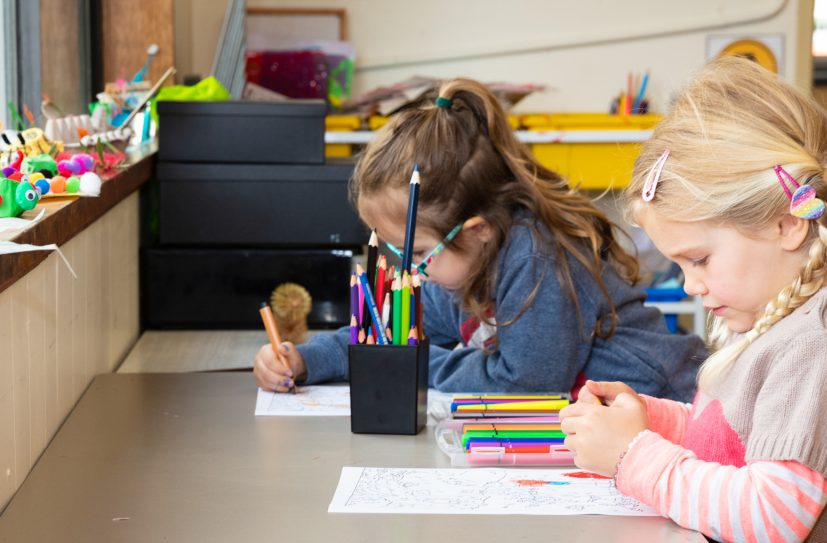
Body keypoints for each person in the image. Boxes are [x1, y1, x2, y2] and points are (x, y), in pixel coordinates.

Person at [559, 57, 827, 543]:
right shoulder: (783, 324)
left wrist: (634, 457)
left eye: (700, 259)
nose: (692, 287)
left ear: (786, 223)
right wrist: (654, 420)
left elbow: (770, 517)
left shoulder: (823, 346)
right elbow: (740, 444)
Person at [253, 78, 706, 400]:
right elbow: (388, 333)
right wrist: (308, 359)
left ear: (476, 230)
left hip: (679, 412)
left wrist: (409, 366)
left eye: (418, 253)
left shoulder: (534, 259)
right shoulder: (463, 267)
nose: (409, 270)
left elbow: (526, 385)